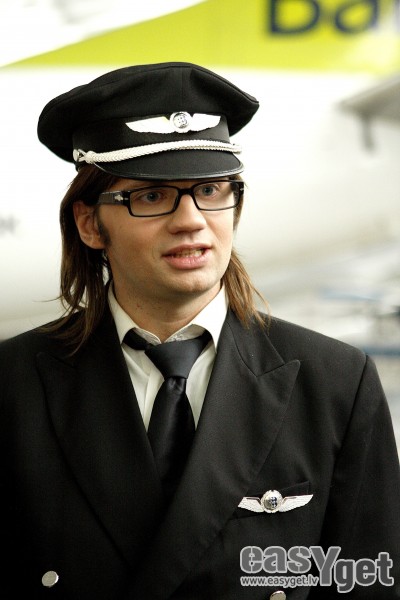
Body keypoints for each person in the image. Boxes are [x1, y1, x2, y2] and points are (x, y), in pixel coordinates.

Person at [0, 62, 399, 600]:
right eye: (151, 196)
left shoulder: (336, 384)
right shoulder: (13, 386)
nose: (191, 219)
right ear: (90, 223)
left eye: (210, 190)